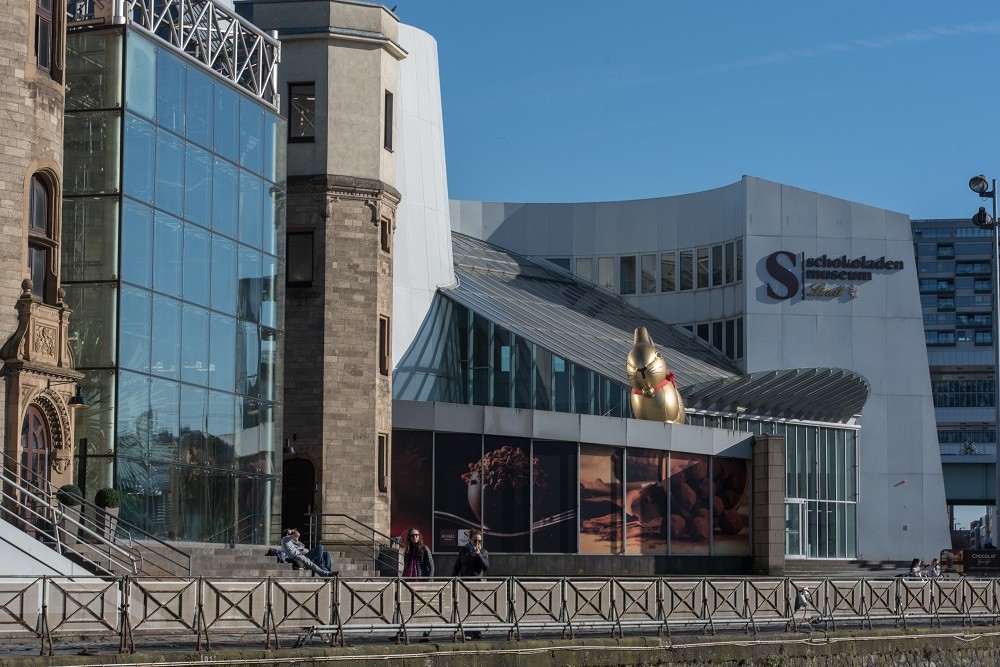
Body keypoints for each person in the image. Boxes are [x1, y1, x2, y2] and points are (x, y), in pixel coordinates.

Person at [452, 529, 489, 640]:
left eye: (479, 541)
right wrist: (453, 580)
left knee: (476, 607)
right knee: (466, 607)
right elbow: (457, 566)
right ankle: (468, 632)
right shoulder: (463, 551)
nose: (477, 544)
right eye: (475, 541)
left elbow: (486, 567)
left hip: (478, 582)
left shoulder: (483, 552)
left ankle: (476, 631)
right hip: (466, 582)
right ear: (469, 540)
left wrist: (478, 555)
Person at [401, 528, 434, 641]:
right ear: (409, 538)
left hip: (421, 582)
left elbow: (431, 567)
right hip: (409, 583)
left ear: (419, 536)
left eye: (416, 535)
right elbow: (406, 568)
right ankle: (401, 633)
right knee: (403, 607)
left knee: (424, 608)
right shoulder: (408, 551)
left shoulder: (425, 549)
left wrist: (428, 583)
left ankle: (426, 634)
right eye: (412, 535)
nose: (415, 537)